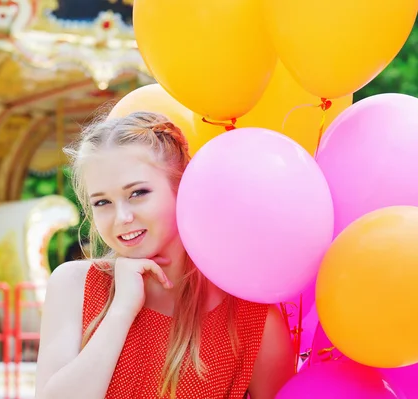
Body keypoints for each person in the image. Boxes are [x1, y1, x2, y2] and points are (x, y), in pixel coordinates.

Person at [35, 111, 295, 399]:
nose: (122, 217)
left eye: (138, 193)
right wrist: (121, 310)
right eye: (102, 202)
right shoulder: (75, 285)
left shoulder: (249, 313)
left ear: (181, 186)